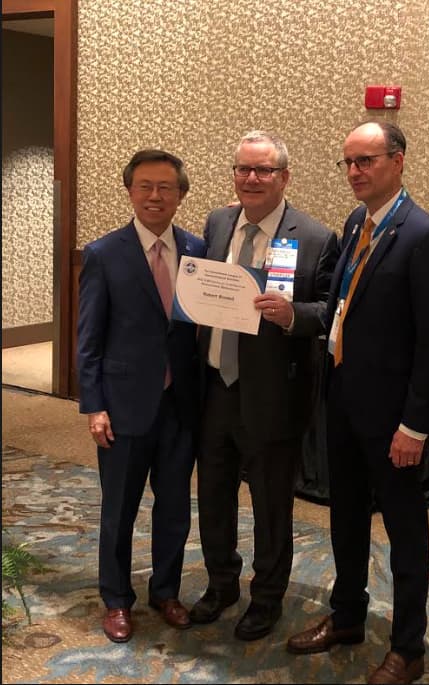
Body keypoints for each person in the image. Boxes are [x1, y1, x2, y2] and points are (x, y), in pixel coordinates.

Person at [287, 121, 429, 685]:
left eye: (367, 160)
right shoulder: (357, 223)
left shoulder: (424, 235)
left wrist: (416, 425)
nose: (356, 172)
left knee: (406, 531)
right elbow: (343, 310)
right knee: (346, 519)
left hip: (393, 421)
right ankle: (347, 617)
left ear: (399, 160)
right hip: (343, 403)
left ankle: (408, 649)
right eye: (349, 163)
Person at [190, 130, 340, 641]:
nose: (251, 179)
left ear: (284, 177)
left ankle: (267, 597)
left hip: (273, 395)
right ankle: (221, 584)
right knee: (212, 497)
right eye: (243, 169)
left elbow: (331, 311)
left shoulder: (315, 237)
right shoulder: (216, 222)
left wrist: (292, 314)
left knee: (271, 506)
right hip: (214, 388)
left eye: (263, 171)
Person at [77, 149, 205, 643]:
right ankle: (116, 599)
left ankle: (166, 590)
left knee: (174, 505)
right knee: (120, 508)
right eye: (145, 186)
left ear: (180, 195)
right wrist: (94, 405)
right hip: (123, 404)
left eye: (166, 188)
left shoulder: (198, 250)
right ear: (130, 191)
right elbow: (89, 338)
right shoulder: (104, 253)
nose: (155, 196)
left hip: (181, 404)